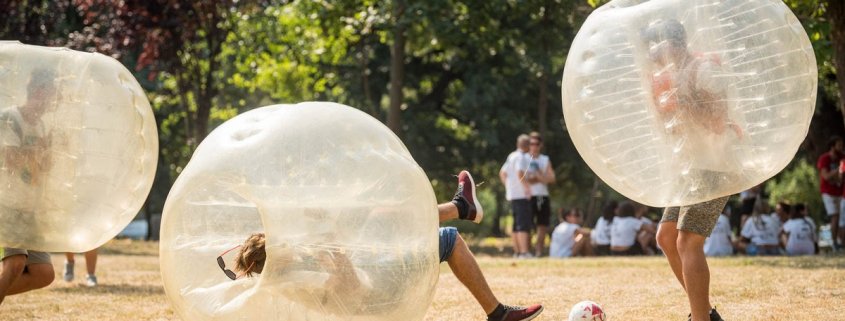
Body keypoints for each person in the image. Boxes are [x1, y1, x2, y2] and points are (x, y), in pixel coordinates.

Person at [230, 171, 544, 321]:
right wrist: (337, 256)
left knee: (383, 218)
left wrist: (333, 236)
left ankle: (461, 207)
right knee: (447, 239)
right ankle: (461, 208)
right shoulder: (301, 274)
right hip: (380, 296)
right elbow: (350, 292)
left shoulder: (288, 275)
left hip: (373, 284)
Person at [644, 18, 743, 321]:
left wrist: (683, 103)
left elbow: (717, 121)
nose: (651, 52)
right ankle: (705, 313)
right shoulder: (673, 76)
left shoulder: (704, 70)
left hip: (714, 164)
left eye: (655, 44)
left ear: (672, 44)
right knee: (665, 237)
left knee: (687, 240)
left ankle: (700, 318)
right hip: (690, 168)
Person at [0, 68, 58, 305]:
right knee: (15, 263)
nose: (53, 102)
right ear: (39, 92)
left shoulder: (42, 126)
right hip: (8, 201)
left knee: (43, 273)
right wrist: (38, 150)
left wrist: (50, 153)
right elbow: (10, 158)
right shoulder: (10, 118)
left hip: (29, 206)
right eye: (52, 95)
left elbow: (41, 169)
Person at [499, 134, 533, 258]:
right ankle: (524, 252)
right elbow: (520, 173)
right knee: (523, 223)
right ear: (527, 145)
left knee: (516, 224)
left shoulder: (511, 156)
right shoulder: (522, 157)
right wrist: (527, 189)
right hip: (521, 195)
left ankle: (517, 251)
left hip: (512, 195)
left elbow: (502, 173)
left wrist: (508, 186)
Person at [525, 133, 556, 257]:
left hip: (542, 195)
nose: (533, 146)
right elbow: (523, 178)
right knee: (527, 225)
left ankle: (538, 252)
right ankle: (526, 251)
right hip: (528, 196)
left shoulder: (545, 159)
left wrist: (537, 177)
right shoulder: (523, 158)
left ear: (540, 145)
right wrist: (542, 177)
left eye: (536, 144)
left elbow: (552, 178)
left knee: (542, 225)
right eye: (531, 144)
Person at [817, 136, 843, 251]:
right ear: (832, 146)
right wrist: (838, 169)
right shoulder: (824, 158)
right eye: (839, 145)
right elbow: (826, 176)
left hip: (840, 192)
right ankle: (834, 243)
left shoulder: (842, 158)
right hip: (828, 193)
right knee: (835, 216)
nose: (841, 147)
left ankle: (840, 242)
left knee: (841, 218)